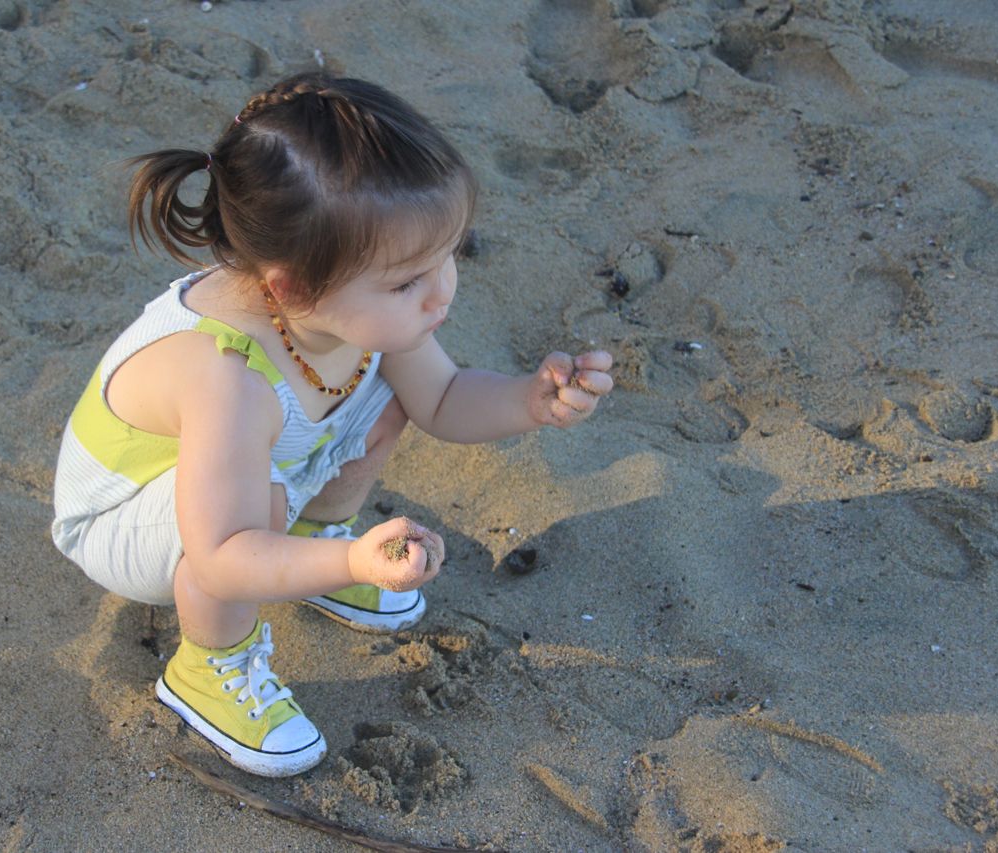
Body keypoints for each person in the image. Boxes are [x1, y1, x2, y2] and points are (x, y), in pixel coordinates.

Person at [51, 72, 614, 777]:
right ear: (292, 287)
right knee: (261, 508)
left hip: (248, 483)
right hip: (126, 519)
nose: (440, 292)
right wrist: (357, 563)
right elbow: (223, 553)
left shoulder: (348, 301)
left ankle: (311, 546)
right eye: (407, 281)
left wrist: (529, 401)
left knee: (385, 394)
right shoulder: (227, 380)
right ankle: (209, 665)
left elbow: (441, 397)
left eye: (448, 254)